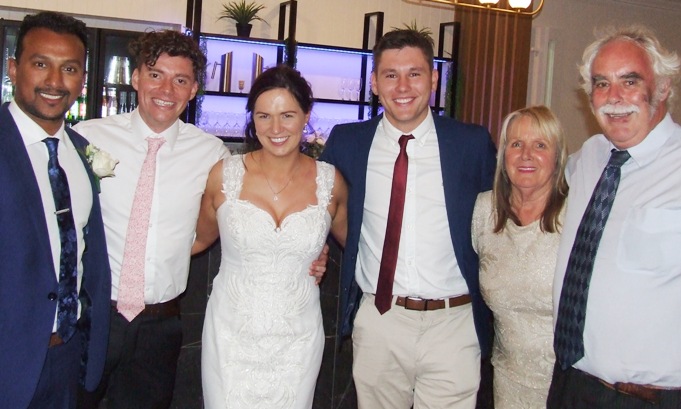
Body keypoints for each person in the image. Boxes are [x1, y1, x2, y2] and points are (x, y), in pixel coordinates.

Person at [319, 29, 497, 408]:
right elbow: (319, 208)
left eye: (415, 74)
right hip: (381, 317)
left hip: (454, 321)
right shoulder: (347, 142)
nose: (403, 86)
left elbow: (498, 222)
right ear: (374, 83)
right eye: (391, 74)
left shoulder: (471, 144)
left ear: (434, 80)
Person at [72, 30, 230, 408]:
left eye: (181, 80)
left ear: (193, 90)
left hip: (161, 325)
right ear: (136, 77)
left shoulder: (211, 153)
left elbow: (234, 217)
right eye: (155, 74)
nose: (167, 89)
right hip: (92, 317)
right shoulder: (87, 137)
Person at [193, 64, 348, 409]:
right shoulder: (224, 175)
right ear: (252, 119)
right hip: (231, 335)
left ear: (306, 115)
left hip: (298, 339)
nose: (275, 128)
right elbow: (197, 240)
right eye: (264, 116)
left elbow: (357, 247)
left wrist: (319, 252)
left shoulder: (330, 182)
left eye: (288, 115)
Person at [548, 26, 681, 409]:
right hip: (569, 384)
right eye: (602, 84)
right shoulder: (590, 157)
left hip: (647, 398)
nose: (614, 97)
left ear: (662, 88)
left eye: (630, 81)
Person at [0, 11, 111, 409]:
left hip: (68, 359)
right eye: (40, 64)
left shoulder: (82, 153)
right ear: (14, 68)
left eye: (68, 69)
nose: (53, 82)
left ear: (82, 80)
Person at [472, 106, 568, 408]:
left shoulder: (577, 214)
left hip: (567, 384)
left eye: (540, 145)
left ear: (558, 157)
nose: (526, 155)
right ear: (503, 155)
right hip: (506, 379)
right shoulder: (483, 211)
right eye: (516, 144)